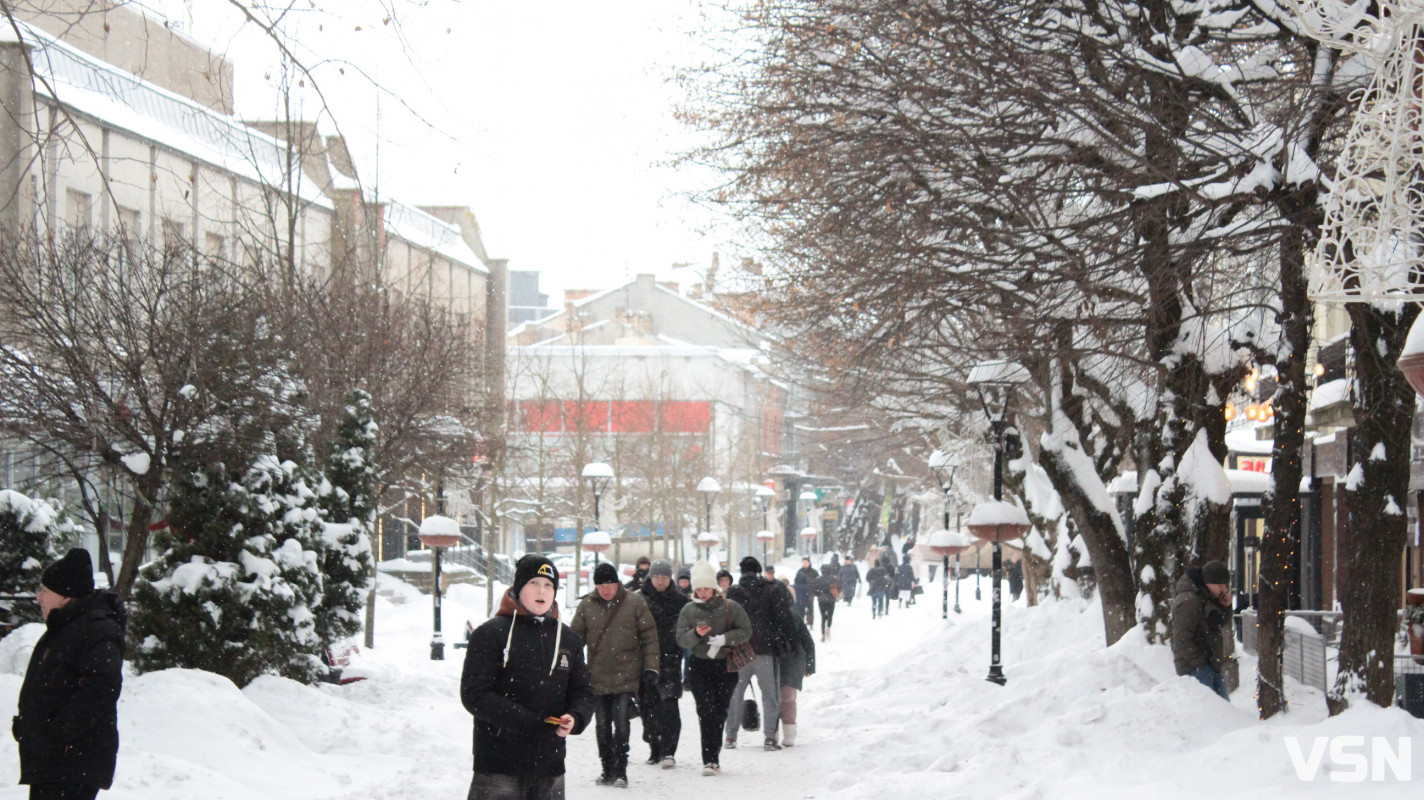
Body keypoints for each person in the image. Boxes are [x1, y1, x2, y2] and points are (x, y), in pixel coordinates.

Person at [461, 554, 595, 800]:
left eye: (548, 585)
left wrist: (575, 717)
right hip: (498, 763)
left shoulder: (569, 639)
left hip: (550, 764)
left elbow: (583, 692)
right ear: (519, 588)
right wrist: (527, 722)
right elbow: (475, 694)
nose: (541, 591)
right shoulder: (490, 633)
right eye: (534, 583)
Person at [13, 548, 124, 800]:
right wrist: (28, 727)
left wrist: (54, 734)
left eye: (45, 591)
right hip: (54, 763)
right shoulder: (66, 628)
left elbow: (101, 689)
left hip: (71, 764)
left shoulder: (97, 629)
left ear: (65, 595)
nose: (38, 597)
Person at [569, 562, 659, 787]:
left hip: (626, 674)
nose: (606, 589)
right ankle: (606, 767)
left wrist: (650, 667)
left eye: (609, 584)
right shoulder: (587, 606)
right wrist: (569, 669)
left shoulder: (634, 603)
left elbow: (649, 637)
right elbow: (574, 640)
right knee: (601, 724)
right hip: (597, 676)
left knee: (621, 723)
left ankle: (621, 769)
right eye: (600, 585)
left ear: (617, 582)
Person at [675, 561, 752, 777]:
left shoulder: (730, 607)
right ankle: (709, 759)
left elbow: (746, 630)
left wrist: (726, 638)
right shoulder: (688, 610)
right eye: (698, 589)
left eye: (706, 588)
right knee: (706, 711)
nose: (703, 593)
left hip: (725, 666)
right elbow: (681, 638)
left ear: (714, 588)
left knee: (720, 712)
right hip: (699, 666)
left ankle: (713, 753)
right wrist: (697, 635)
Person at [724, 556, 799, 751]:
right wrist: (788, 642)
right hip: (766, 650)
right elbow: (784, 618)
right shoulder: (771, 590)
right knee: (770, 695)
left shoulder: (733, 592)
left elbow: (726, 620)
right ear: (759, 571)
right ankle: (769, 738)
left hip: (740, 650)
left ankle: (731, 736)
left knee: (735, 694)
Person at [637, 560, 689, 770]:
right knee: (647, 708)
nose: (660, 581)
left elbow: (685, 630)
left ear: (670, 579)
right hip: (645, 662)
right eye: (656, 577)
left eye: (664, 577)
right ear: (650, 577)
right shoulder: (639, 600)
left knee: (669, 707)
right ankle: (654, 746)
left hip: (670, 661)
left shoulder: (680, 602)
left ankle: (669, 750)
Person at [1170, 560, 1233, 700]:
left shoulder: (1206, 596)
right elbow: (1181, 640)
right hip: (1195, 668)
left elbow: (1219, 622)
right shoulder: (1189, 600)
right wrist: (1201, 663)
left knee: (1223, 712)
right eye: (1219, 585)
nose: (1223, 589)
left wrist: (1225, 607)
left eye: (1225, 585)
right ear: (1208, 582)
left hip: (1211, 664)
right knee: (1209, 714)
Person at [777, 610, 816, 747]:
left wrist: (809, 666)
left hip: (793, 661)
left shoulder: (793, 616)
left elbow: (807, 641)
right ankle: (772, 733)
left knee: (787, 697)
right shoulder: (765, 614)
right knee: (773, 698)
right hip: (773, 660)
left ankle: (789, 732)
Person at [813, 566, 838, 642]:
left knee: (823, 617)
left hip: (821, 600)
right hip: (831, 600)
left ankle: (823, 634)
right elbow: (837, 588)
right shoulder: (833, 579)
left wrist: (819, 595)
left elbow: (814, 590)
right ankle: (828, 628)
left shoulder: (817, 579)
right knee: (830, 614)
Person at [793, 557, 818, 628]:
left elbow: (817, 582)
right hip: (801, 592)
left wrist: (814, 588)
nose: (805, 564)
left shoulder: (814, 572)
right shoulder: (800, 571)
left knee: (810, 607)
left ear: (809, 563)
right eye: (803, 563)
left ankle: (810, 622)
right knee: (801, 607)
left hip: (810, 592)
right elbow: (796, 581)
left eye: (806, 562)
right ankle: (802, 622)